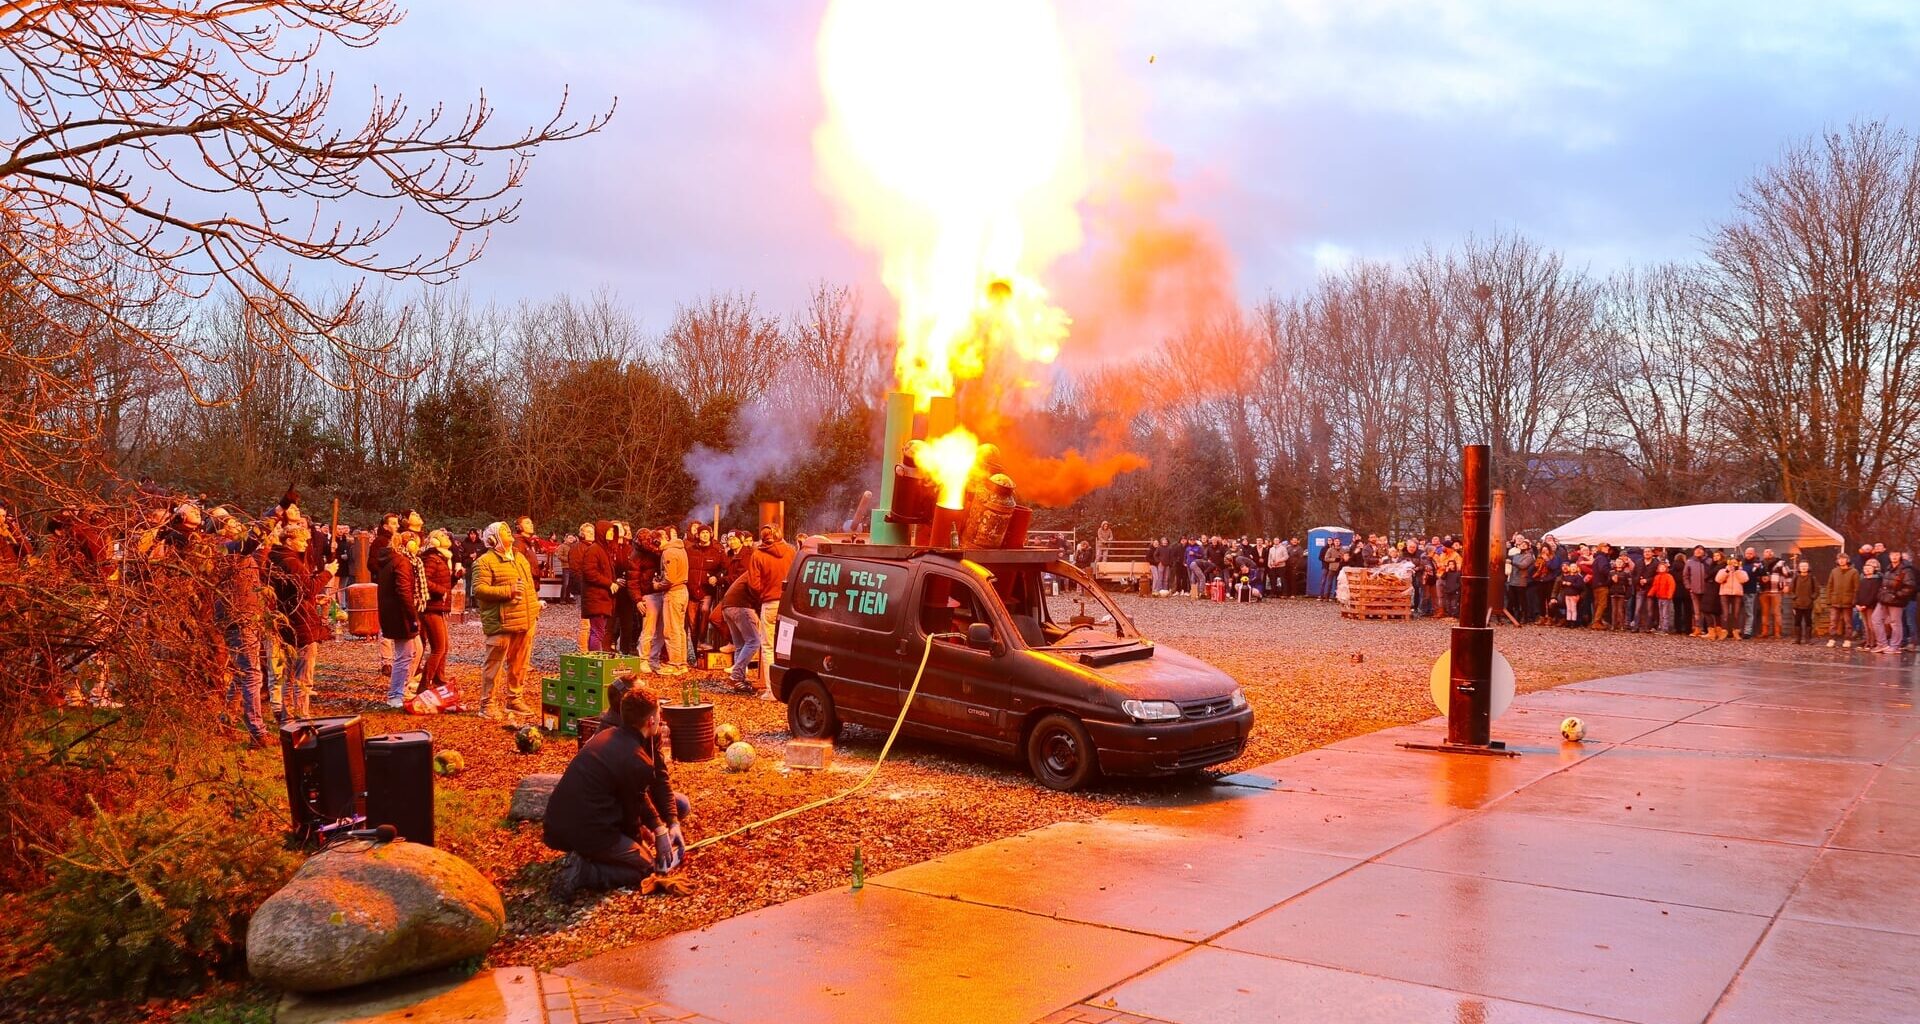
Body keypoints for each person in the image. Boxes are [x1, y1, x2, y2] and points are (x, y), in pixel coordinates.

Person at [544, 685, 689, 899]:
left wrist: (663, 826)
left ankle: (591, 857)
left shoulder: (610, 734)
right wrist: (648, 841)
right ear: (651, 720)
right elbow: (632, 817)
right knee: (644, 867)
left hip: (556, 824)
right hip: (591, 829)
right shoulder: (635, 759)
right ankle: (585, 872)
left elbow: (639, 795)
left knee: (675, 810)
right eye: (659, 713)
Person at [472, 521, 538, 724]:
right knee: (494, 664)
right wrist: (507, 591)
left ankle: (514, 698)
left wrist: (534, 607)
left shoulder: (520, 558)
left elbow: (527, 587)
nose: (508, 531)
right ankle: (487, 704)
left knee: (520, 663)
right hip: (501, 622)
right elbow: (479, 590)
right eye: (503, 530)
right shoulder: (484, 562)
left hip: (525, 620)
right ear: (493, 538)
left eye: (509, 529)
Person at [269, 523, 334, 720]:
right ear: (289, 541)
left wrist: (313, 600)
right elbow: (308, 588)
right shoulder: (291, 562)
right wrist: (328, 572)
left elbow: (297, 591)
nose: (306, 544)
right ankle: (302, 717)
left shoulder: (275, 558)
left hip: (287, 620)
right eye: (301, 540)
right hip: (300, 623)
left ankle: (287, 716)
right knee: (302, 676)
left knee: (288, 675)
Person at [746, 523, 796, 701]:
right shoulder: (791, 551)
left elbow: (753, 584)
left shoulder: (758, 554)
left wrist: (762, 595)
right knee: (786, 648)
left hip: (770, 603)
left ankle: (772, 691)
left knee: (768, 647)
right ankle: (790, 690)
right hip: (790, 604)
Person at [378, 527, 426, 707]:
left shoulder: (388, 560)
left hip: (392, 612)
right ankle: (395, 694)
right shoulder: (402, 562)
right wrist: (413, 617)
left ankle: (403, 687)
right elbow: (404, 591)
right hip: (400, 614)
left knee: (415, 650)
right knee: (404, 655)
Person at [418, 529, 455, 694]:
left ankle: (439, 680)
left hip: (439, 607)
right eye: (441, 535)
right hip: (431, 608)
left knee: (444, 647)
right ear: (434, 541)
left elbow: (444, 583)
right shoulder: (432, 559)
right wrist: (441, 591)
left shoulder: (443, 558)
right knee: (438, 648)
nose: (446, 536)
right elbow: (424, 580)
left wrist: (454, 578)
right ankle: (424, 685)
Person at [657, 525, 690, 676]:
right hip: (683, 590)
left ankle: (675, 664)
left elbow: (669, 579)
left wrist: (657, 584)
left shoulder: (669, 552)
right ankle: (682, 662)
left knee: (671, 630)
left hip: (673, 592)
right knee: (680, 629)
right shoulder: (681, 549)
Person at [576, 521, 613, 652]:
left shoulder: (602, 550)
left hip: (600, 597)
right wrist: (609, 583)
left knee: (598, 631)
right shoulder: (593, 550)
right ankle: (594, 660)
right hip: (595, 597)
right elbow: (589, 572)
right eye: (609, 531)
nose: (612, 534)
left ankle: (595, 658)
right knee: (596, 632)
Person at [1872, 550, 1915, 654]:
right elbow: (1883, 584)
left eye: (1897, 555)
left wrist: (1896, 595)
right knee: (1875, 619)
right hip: (1884, 599)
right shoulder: (1888, 568)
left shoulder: (1906, 570)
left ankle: (1895, 646)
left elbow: (1910, 586)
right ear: (1889, 556)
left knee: (1895, 623)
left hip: (1896, 601)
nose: (1894, 557)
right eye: (1892, 555)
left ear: (1900, 556)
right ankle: (1882, 644)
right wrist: (1881, 594)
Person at [1824, 555, 1861, 648]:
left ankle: (1847, 639)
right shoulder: (1834, 571)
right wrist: (1829, 599)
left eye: (1843, 559)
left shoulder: (1854, 572)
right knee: (1833, 622)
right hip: (1835, 600)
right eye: (1839, 559)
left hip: (1848, 601)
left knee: (1848, 622)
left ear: (1847, 560)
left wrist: (1854, 600)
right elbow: (1830, 585)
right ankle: (1832, 639)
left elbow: (1856, 588)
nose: (1841, 561)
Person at [1715, 556, 1749, 642]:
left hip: (1737, 594)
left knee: (1736, 613)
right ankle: (1724, 631)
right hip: (1725, 593)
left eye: (1735, 563)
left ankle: (1735, 631)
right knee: (1725, 613)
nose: (1733, 564)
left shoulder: (1742, 572)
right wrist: (1727, 571)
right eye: (1731, 562)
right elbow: (1718, 580)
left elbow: (1744, 580)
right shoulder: (1723, 571)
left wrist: (1737, 571)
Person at [1854, 560, 1883, 650]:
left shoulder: (1876, 581)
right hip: (1861, 606)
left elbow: (1873, 594)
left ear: (1874, 569)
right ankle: (1868, 642)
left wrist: (1865, 605)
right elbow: (1858, 593)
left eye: (1869, 569)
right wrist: (1857, 604)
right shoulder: (1862, 580)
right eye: (1865, 569)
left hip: (1870, 606)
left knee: (1871, 625)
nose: (1867, 570)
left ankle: (1873, 643)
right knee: (1866, 625)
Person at [1790, 559, 1817, 645]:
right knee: (1797, 622)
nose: (1804, 568)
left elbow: (1817, 590)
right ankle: (1797, 639)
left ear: (1808, 567)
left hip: (1808, 604)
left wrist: (1812, 598)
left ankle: (1808, 639)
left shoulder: (1812, 578)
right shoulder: (1796, 577)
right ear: (1799, 568)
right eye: (1802, 566)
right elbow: (1791, 590)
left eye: (1805, 566)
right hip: (1797, 604)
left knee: (1808, 622)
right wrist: (1795, 598)